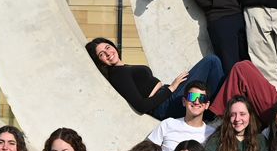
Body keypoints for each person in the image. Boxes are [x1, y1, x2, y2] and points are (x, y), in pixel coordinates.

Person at [86, 37, 225, 120]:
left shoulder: (123, 69)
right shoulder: (117, 74)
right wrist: (171, 88)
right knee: (211, 62)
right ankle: (216, 110)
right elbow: (141, 106)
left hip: (168, 99)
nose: (108, 53)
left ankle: (210, 111)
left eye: (108, 47)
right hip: (165, 105)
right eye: (102, 54)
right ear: (101, 61)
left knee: (208, 74)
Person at [147, 82, 216, 151]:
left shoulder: (212, 134)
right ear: (184, 101)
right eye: (192, 97)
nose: (196, 102)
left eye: (202, 98)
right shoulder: (168, 124)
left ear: (207, 105)